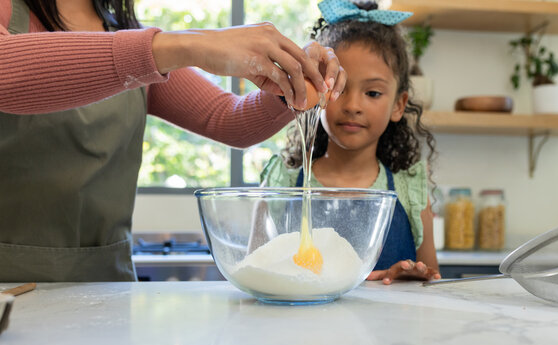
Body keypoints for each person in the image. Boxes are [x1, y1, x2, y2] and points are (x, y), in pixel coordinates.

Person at [0, 0, 347, 282]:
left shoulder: (128, 35)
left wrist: (295, 82)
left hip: (105, 290)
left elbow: (229, 119)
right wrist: (191, 44)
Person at [260, 0, 441, 283]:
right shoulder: (280, 183)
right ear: (314, 91)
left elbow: (432, 283)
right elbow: (254, 272)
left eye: (372, 93)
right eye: (339, 88)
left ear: (399, 104)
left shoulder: (411, 190)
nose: (353, 105)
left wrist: (413, 278)